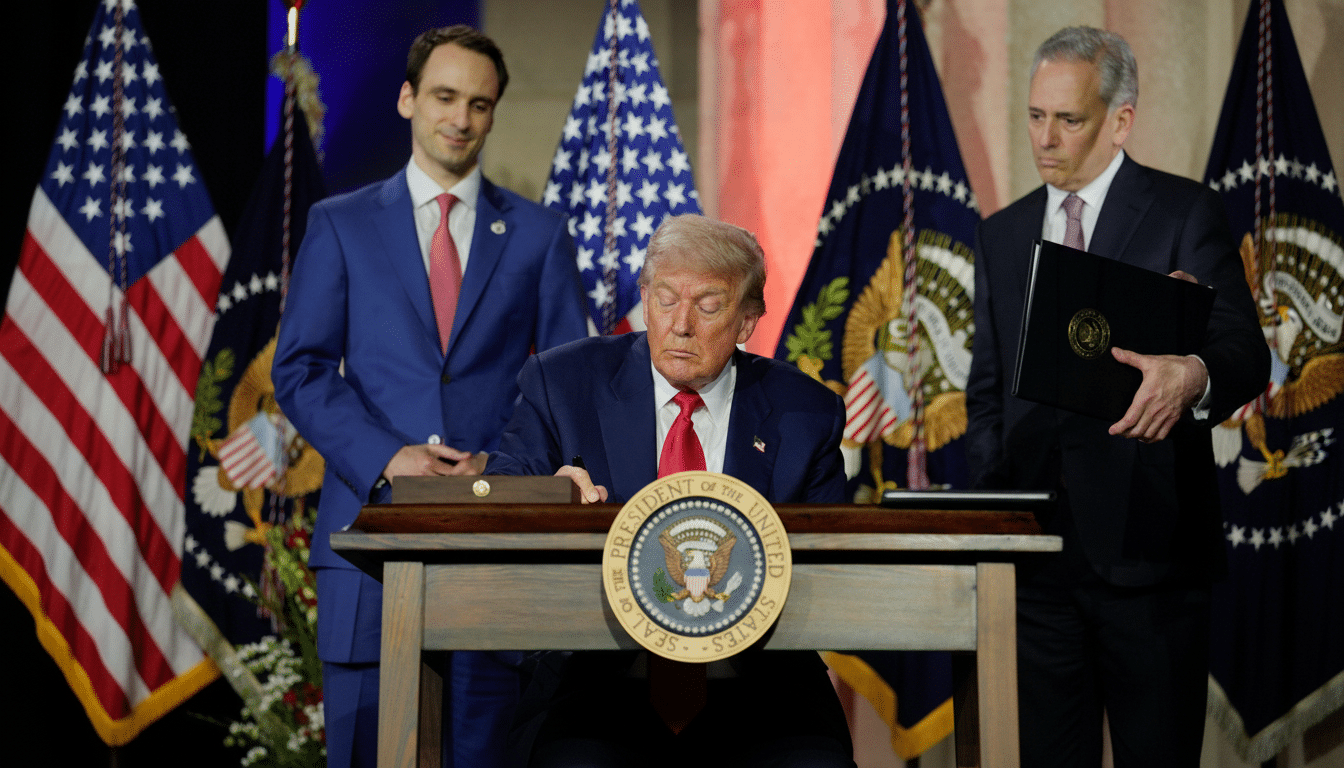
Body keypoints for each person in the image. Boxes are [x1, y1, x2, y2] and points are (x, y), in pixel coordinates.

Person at [271, 25, 588, 768]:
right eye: (445, 96)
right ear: (409, 98)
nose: (461, 118)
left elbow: (568, 384)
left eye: (480, 104)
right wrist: (391, 456)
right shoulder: (339, 225)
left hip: (498, 551)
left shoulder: (539, 235)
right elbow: (302, 369)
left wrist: (502, 471)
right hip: (368, 547)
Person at [965, 26, 1268, 767]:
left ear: (1120, 120)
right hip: (1036, 569)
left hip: (1152, 561)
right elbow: (985, 391)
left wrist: (1189, 373)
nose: (1046, 137)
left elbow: (1243, 353)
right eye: (1036, 116)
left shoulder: (1181, 214)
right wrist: (1003, 496)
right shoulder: (1001, 236)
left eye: (1068, 119)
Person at [487, 214, 855, 768]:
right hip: (599, 680)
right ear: (644, 295)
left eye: (707, 307)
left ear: (748, 319)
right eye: (665, 299)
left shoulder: (806, 411)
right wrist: (548, 492)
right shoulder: (563, 383)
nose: (680, 324)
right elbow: (501, 488)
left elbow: (833, 568)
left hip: (762, 685)